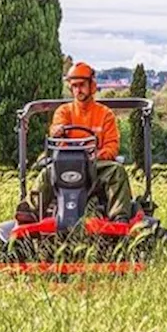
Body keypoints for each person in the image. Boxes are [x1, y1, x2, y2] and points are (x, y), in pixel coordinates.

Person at [24, 62, 135, 221]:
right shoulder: (64, 111)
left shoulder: (105, 115)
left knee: (117, 171)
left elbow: (112, 147)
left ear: (92, 86)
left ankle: (119, 218)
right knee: (46, 173)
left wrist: (94, 156)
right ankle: (31, 212)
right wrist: (57, 132)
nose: (78, 90)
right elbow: (55, 131)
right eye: (74, 86)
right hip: (66, 165)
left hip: (95, 167)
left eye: (82, 85)